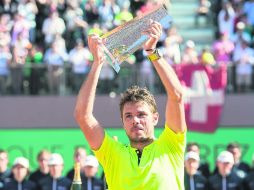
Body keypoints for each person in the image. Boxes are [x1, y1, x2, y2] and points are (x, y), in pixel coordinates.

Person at [74, 20, 187, 189]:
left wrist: (152, 52)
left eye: (141, 114)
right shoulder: (111, 153)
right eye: (129, 116)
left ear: (155, 118)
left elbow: (176, 95)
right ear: (123, 122)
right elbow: (83, 116)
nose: (135, 120)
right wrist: (97, 63)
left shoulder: (171, 144)